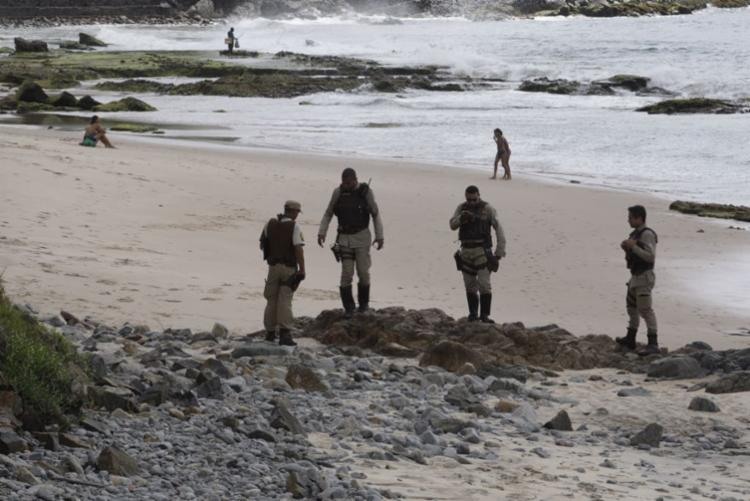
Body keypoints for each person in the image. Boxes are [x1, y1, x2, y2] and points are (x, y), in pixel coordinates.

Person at [318, 168, 384, 318]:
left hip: (362, 238)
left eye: (349, 182)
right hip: (344, 239)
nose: (346, 185)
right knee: (346, 274)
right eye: (344, 182)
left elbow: (375, 214)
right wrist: (322, 232)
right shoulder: (338, 192)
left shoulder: (366, 192)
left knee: (363, 272)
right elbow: (328, 213)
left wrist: (380, 236)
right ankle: (349, 308)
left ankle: (364, 305)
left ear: (355, 180)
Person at [450, 185, 506, 323]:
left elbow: (499, 228)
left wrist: (499, 251)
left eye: (474, 199)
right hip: (466, 251)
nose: (471, 202)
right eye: (469, 200)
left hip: (482, 250)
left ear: (479, 196)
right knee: (469, 285)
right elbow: (452, 225)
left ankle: (485, 315)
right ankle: (473, 314)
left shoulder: (488, 209)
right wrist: (461, 219)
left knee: (484, 284)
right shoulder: (461, 208)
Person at [259, 200, 306, 346]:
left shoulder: (270, 224)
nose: (297, 215)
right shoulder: (294, 227)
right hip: (288, 268)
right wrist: (302, 269)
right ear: (292, 211)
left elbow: (262, 244)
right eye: (297, 212)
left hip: (272, 267)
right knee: (285, 300)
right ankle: (285, 334)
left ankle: (270, 333)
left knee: (271, 299)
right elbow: (298, 248)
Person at [616, 205, 659, 355]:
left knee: (645, 310)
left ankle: (653, 343)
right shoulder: (635, 234)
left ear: (639, 218)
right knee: (631, 308)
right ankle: (630, 338)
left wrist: (633, 247)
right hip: (635, 276)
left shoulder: (647, 234)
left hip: (644, 276)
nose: (628, 220)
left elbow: (650, 256)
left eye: (630, 217)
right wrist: (627, 248)